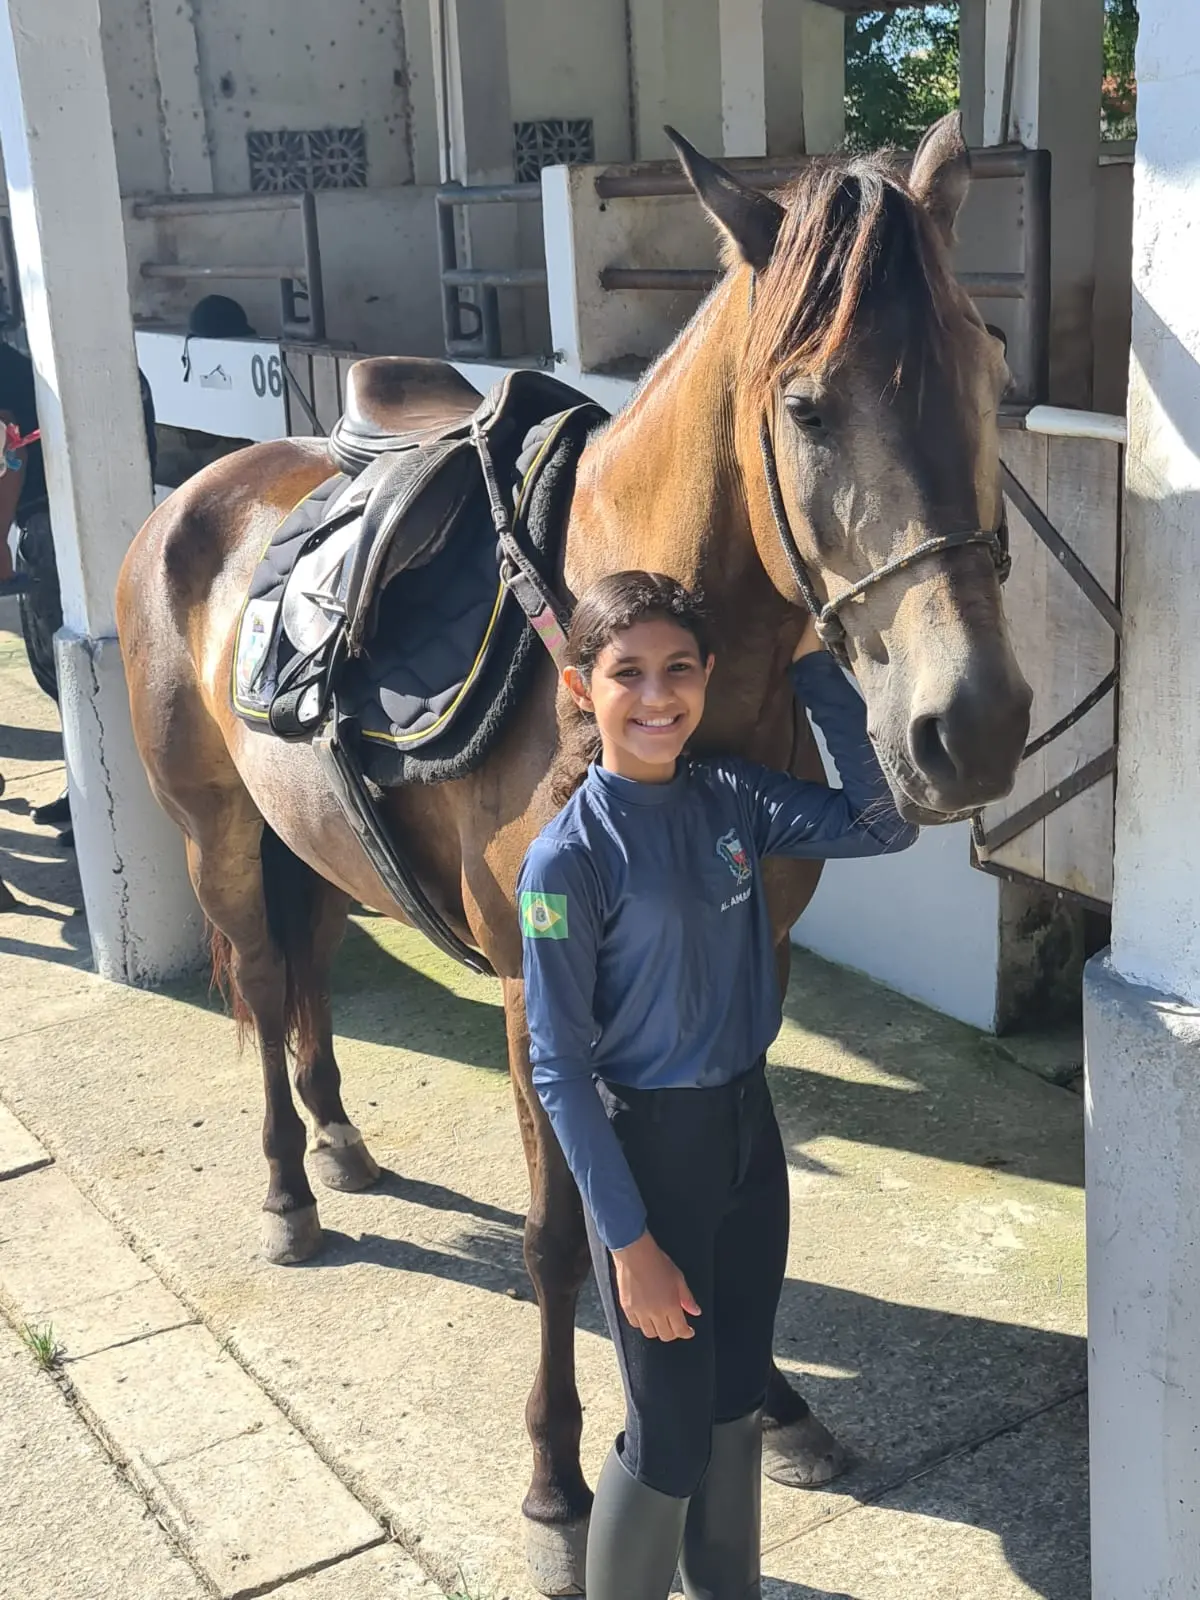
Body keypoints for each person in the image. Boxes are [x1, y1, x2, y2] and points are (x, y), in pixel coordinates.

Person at [517, 571, 918, 1600]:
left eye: (679, 671)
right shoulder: (566, 860)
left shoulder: (730, 797)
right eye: (629, 674)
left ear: (706, 679)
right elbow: (556, 1066)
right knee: (669, 1435)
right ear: (581, 682)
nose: (659, 698)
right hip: (651, 1160)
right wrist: (628, 1240)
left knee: (738, 1400)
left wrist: (816, 671)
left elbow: (886, 823)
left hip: (748, 1134)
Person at [0, 337, 158, 846]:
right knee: (59, 671)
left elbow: (9, 448)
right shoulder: (80, 358)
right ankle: (90, 790)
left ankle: (115, 803)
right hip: (66, 522)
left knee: (75, 667)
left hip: (59, 526)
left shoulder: (43, 362)